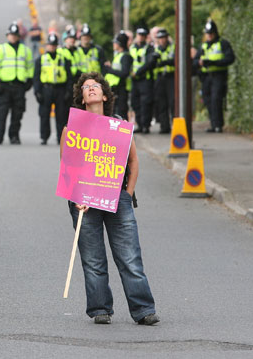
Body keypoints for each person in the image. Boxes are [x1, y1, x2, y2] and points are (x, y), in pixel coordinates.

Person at [61, 71, 159, 326]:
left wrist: (127, 194)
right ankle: (100, 309)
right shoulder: (73, 127)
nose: (91, 88)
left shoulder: (118, 124)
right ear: (82, 98)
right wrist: (76, 196)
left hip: (117, 199)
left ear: (105, 94)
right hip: (84, 203)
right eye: (85, 87)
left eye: (95, 86)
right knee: (93, 260)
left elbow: (133, 160)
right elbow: (68, 165)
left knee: (129, 257)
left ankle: (143, 310)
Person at [0, 22, 34, 145]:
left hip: (19, 85)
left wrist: (29, 80)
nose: (13, 37)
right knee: (1, 113)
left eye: (15, 35)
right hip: (5, 85)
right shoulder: (1, 49)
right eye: (11, 35)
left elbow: (30, 66)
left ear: (18, 36)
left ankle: (14, 136)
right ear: (7, 36)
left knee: (17, 113)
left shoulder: (25, 50)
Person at [193, 19, 235, 133]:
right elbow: (195, 61)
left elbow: (230, 58)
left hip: (218, 76)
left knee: (216, 99)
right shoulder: (203, 46)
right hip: (206, 77)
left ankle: (218, 125)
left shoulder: (223, 43)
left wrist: (212, 62)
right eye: (207, 33)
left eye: (211, 33)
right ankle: (213, 124)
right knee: (207, 100)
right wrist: (200, 63)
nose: (209, 36)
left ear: (215, 33)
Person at [33, 33, 72, 145]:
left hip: (60, 89)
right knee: (44, 114)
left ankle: (61, 137)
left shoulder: (64, 60)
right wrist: (37, 92)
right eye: (50, 45)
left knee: (61, 115)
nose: (52, 47)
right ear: (46, 46)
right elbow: (36, 77)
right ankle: (44, 137)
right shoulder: (40, 60)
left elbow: (69, 77)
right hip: (46, 89)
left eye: (54, 45)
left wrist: (68, 91)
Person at [129, 27, 156, 133]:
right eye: (139, 35)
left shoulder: (149, 48)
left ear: (145, 37)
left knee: (146, 103)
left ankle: (145, 125)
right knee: (135, 103)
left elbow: (150, 63)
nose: (140, 37)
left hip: (145, 79)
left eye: (143, 35)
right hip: (134, 80)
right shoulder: (132, 48)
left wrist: (138, 72)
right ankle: (140, 124)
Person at [104, 31, 132, 120]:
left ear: (119, 44)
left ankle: (124, 133)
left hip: (122, 88)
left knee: (122, 112)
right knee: (115, 112)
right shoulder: (119, 55)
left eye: (115, 42)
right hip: (116, 88)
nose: (113, 44)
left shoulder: (125, 56)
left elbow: (124, 73)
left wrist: (110, 70)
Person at [152, 28, 175, 134]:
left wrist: (165, 62)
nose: (161, 40)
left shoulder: (173, 48)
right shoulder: (155, 49)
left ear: (166, 38)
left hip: (171, 77)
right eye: (159, 38)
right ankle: (164, 126)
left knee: (172, 102)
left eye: (163, 38)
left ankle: (175, 125)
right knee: (161, 102)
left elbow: (175, 60)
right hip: (160, 78)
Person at [59, 26, 81, 126]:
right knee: (64, 110)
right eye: (70, 39)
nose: (72, 41)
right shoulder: (61, 52)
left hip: (77, 83)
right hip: (66, 84)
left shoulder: (78, 52)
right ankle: (64, 131)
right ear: (65, 40)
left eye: (73, 39)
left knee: (77, 110)